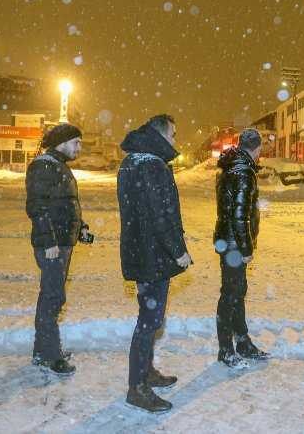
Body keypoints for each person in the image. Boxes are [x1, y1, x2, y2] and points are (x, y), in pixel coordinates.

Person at [118, 114, 192, 413]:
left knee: (149, 318)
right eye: (173, 134)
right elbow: (160, 215)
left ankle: (145, 372)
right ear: (161, 136)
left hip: (141, 251)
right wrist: (178, 251)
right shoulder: (153, 165)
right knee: (149, 322)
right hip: (153, 255)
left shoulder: (132, 162)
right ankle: (137, 387)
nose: (175, 140)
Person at [26, 123, 93, 376]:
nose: (79, 148)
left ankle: (44, 349)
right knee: (52, 297)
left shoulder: (58, 166)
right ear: (62, 142)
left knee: (53, 296)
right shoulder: (44, 166)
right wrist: (49, 241)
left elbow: (65, 205)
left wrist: (80, 228)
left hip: (62, 241)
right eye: (76, 142)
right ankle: (48, 355)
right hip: (52, 245)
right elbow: (38, 207)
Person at [213, 128, 269, 368]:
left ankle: (242, 341)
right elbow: (239, 216)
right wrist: (246, 248)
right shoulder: (244, 172)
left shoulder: (231, 167)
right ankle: (226, 349)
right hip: (234, 245)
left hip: (227, 240)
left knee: (237, 292)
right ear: (257, 149)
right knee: (231, 295)